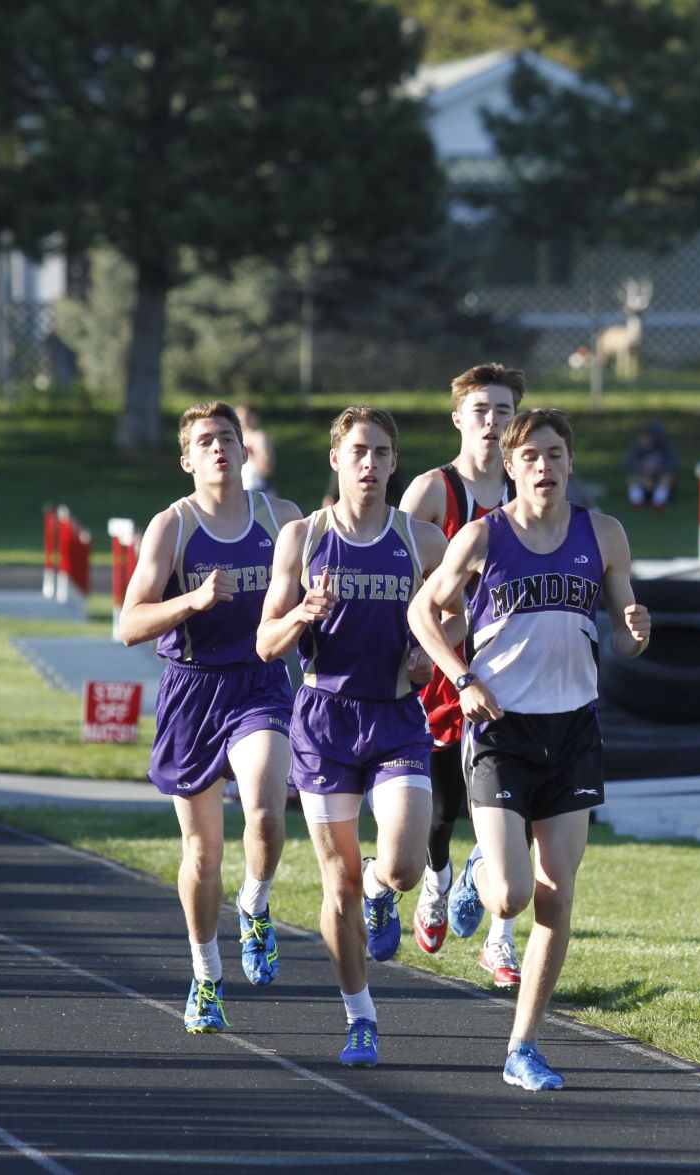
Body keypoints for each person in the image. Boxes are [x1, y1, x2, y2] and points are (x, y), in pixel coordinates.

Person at [409, 407, 651, 1092]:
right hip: (501, 731)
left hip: (572, 729)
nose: (543, 466)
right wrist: (461, 679)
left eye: (554, 453)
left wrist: (637, 627)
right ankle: (485, 860)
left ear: (569, 462)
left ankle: (523, 1046)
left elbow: (629, 636)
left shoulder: (601, 534)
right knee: (511, 896)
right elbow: (422, 612)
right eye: (530, 456)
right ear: (510, 467)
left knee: (557, 895)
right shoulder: (483, 537)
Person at [257, 405, 449, 1068]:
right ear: (336, 460)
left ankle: (379, 887)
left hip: (395, 717)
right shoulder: (303, 539)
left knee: (402, 865)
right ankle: (360, 1015)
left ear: (395, 463)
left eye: (381, 453)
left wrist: (431, 655)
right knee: (332, 881)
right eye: (357, 451)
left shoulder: (422, 541)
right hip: (324, 720)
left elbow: (452, 619)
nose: (369, 464)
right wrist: (303, 613)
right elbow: (264, 641)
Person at [119, 402, 302, 1034]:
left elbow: (317, 596)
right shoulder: (171, 527)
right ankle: (206, 975)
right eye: (206, 440)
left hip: (259, 684)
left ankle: (255, 904)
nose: (220, 447)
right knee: (201, 851)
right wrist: (191, 600)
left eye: (228, 437)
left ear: (245, 450)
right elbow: (127, 625)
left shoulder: (282, 519)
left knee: (264, 808)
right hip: (191, 689)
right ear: (188, 459)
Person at [399, 363, 525, 982]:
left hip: (511, 671)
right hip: (440, 669)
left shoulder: (529, 494)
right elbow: (399, 582)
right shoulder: (431, 492)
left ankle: (501, 936)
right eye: (481, 410)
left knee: (513, 803)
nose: (493, 422)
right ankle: (438, 880)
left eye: (504, 411)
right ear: (458, 418)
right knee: (443, 809)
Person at [623, 421, 678, 510]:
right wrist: (644, 476)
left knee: (667, 477)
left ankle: (658, 503)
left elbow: (671, 467)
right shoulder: (637, 450)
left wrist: (655, 475)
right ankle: (637, 502)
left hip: (658, 480)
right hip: (643, 480)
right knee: (631, 477)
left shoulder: (666, 450)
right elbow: (630, 465)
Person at [238, 404, 275, 494]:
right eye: (239, 417)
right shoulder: (237, 437)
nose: (243, 420)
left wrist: (248, 454)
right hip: (241, 493)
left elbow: (266, 469)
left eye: (246, 417)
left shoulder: (260, 437)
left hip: (259, 491)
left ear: (256, 417)